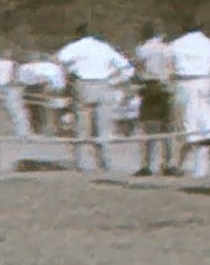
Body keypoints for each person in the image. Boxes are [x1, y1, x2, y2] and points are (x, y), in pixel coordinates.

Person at [54, 25, 133, 172]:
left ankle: (81, 163)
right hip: (103, 84)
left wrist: (70, 72)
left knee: (82, 126)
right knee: (103, 126)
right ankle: (105, 162)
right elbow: (127, 67)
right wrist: (114, 80)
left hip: (83, 84)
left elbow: (59, 59)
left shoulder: (75, 47)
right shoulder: (104, 47)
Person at [170, 18, 210, 178]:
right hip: (204, 83)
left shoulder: (176, 44)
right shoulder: (209, 44)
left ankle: (197, 167)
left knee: (191, 126)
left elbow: (170, 65)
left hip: (185, 84)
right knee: (208, 126)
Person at [132, 25, 175, 176]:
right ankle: (169, 163)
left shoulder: (142, 49)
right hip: (165, 87)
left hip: (149, 85)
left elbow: (139, 69)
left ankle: (146, 165)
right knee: (167, 127)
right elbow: (172, 67)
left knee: (148, 127)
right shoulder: (167, 48)